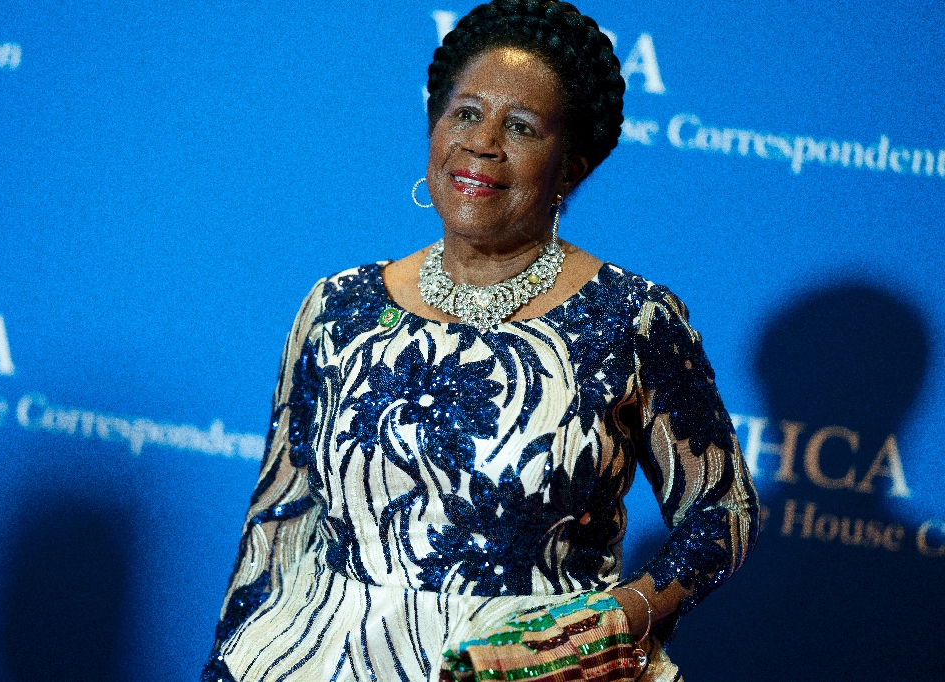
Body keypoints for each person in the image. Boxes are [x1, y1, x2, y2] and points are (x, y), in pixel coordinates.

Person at [202, 2, 759, 681]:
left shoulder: (632, 321)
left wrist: (617, 620)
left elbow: (723, 511)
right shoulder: (337, 307)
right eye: (465, 113)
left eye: (521, 127)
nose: (483, 142)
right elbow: (277, 527)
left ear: (572, 167)